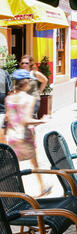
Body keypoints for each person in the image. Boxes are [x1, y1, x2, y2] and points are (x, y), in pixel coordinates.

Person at [5, 69, 49, 197]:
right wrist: (42, 121)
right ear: (26, 82)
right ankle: (43, 187)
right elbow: (26, 120)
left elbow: (8, 117)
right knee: (34, 163)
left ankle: (13, 192)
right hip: (24, 136)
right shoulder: (29, 99)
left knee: (14, 166)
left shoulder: (9, 98)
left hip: (12, 136)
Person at [0, 67, 12, 144]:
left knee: (2, 141)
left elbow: (9, 94)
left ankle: (5, 155)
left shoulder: (3, 74)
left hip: (1, 112)